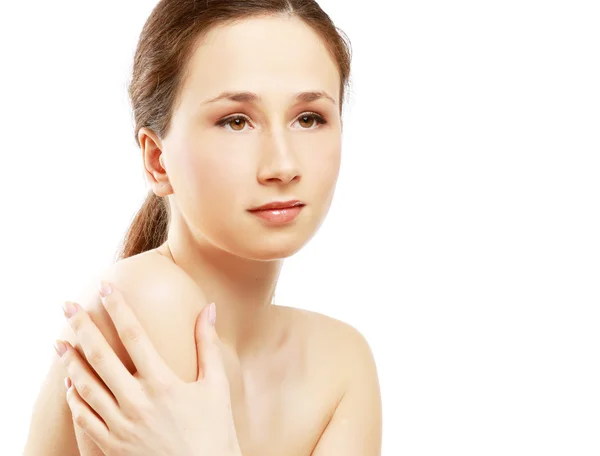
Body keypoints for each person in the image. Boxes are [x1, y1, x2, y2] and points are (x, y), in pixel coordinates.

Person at [23, 0, 382, 454]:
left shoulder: (342, 361)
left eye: (308, 118)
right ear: (157, 159)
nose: (283, 165)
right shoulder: (149, 303)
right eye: (236, 121)